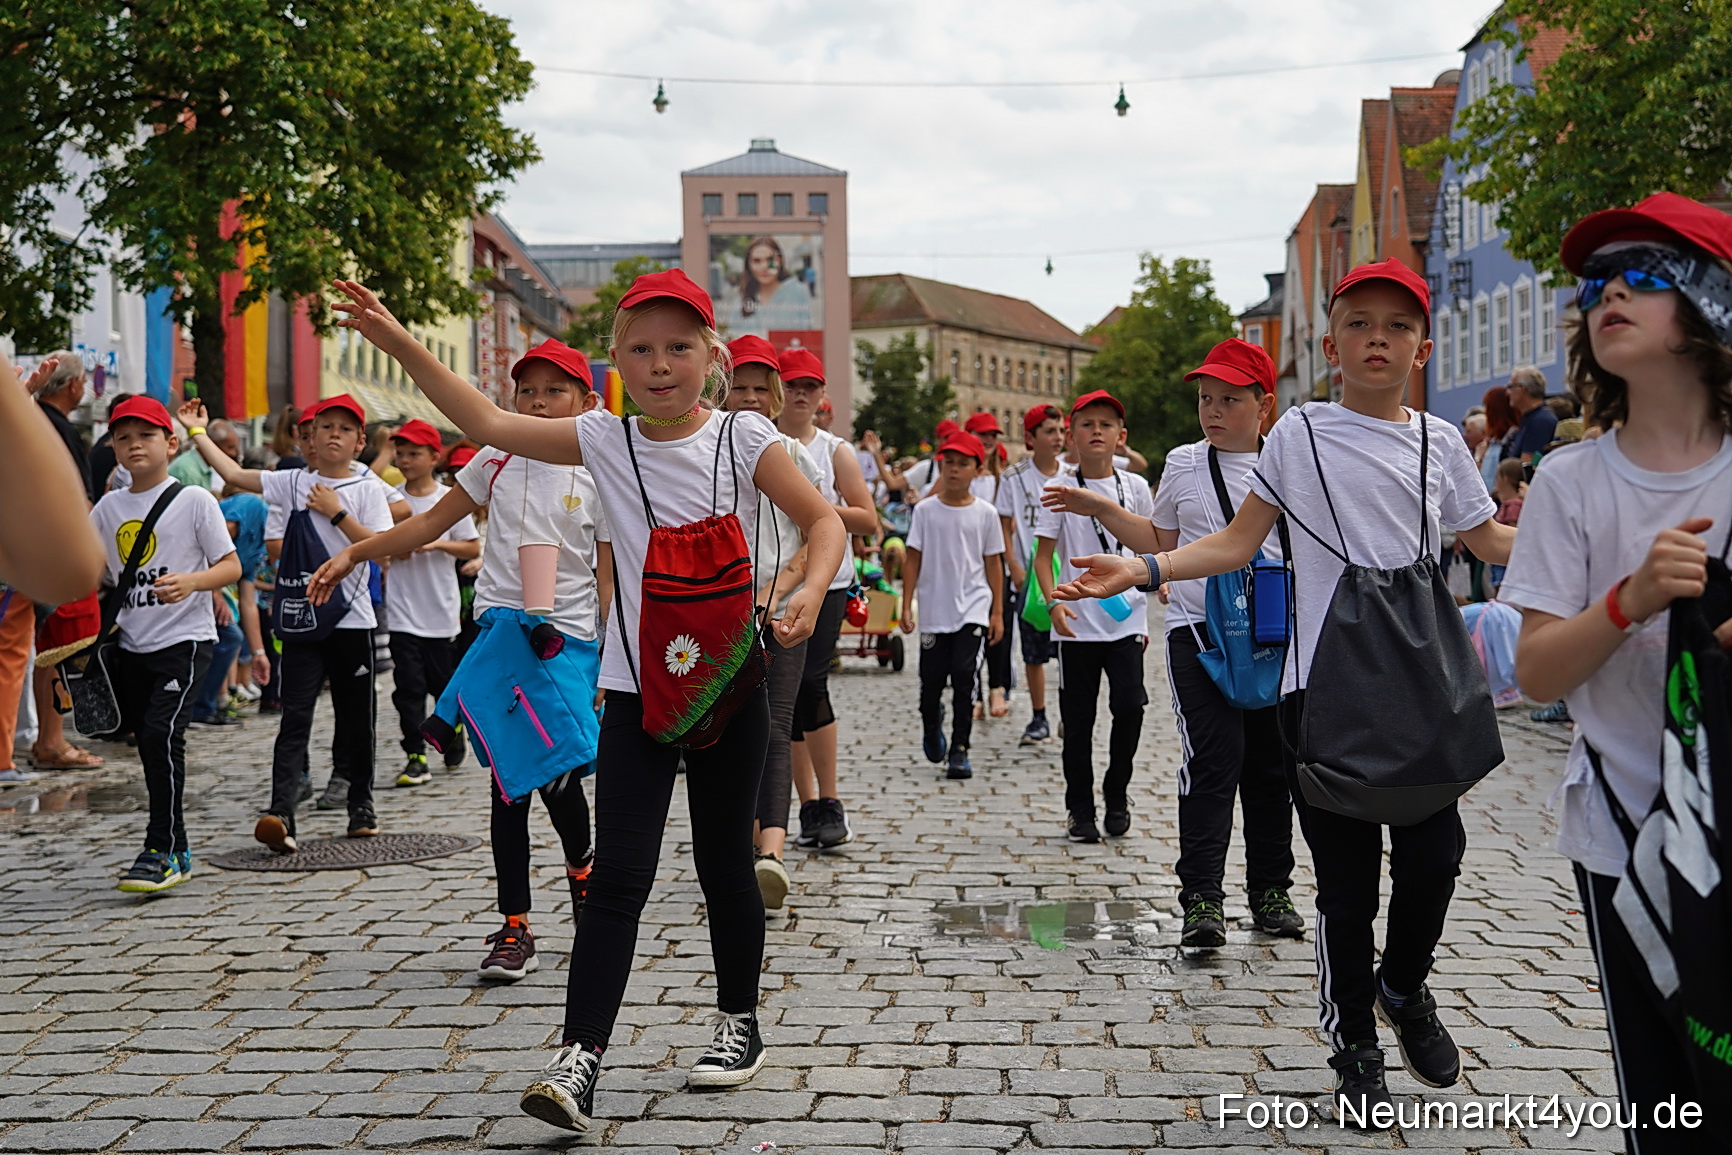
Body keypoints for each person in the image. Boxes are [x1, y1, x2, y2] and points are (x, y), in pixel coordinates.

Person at [330, 269, 844, 1132]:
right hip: (635, 690)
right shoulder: (604, 438)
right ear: (615, 361)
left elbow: (824, 522)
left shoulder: (746, 436)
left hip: (729, 687)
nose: (659, 363)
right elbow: (490, 423)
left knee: (726, 869)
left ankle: (738, 1021)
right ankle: (579, 1058)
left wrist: (808, 588)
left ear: (711, 357)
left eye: (678, 346)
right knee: (617, 876)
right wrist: (395, 339)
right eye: (640, 348)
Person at [1048, 260, 1516, 1126]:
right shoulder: (1299, 435)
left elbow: (1485, 537)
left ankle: (1404, 988)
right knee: (1342, 886)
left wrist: (1594, 543)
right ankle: (1356, 1052)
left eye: (1397, 325)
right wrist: (1146, 564)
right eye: (1360, 323)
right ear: (1331, 342)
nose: (1378, 338)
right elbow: (1235, 542)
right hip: (1321, 684)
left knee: (1436, 856)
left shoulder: (1440, 441)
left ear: (1421, 344)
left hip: (1415, 687)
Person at [1503, 193, 1732, 1153]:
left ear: (1710, 305)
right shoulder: (1571, 481)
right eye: (1596, 283)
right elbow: (1538, 671)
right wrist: (1627, 602)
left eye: (1642, 276)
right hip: (1628, 834)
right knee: (1665, 1103)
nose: (1609, 294)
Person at [312, 339, 605, 982]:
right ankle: (515, 926)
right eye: (526, 390)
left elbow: (612, 569)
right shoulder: (495, 460)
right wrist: (355, 553)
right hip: (502, 634)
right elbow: (425, 526)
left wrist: (612, 656)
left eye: (554, 391)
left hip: (568, 642)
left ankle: (585, 882)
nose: (536, 401)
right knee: (508, 788)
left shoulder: (599, 465)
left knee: (556, 777)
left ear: (588, 402)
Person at [178, 394, 395, 851]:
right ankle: (281, 812)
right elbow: (236, 475)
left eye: (345, 429)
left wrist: (335, 511)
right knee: (294, 714)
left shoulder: (368, 487)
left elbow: (380, 547)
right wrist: (197, 432)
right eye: (326, 427)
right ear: (310, 437)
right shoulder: (291, 480)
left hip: (351, 619)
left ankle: (361, 804)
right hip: (301, 620)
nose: (334, 434)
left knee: (357, 718)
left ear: (359, 442)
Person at [1148, 339, 1302, 946]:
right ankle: (1203, 902)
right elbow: (1159, 537)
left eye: (1229, 400)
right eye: (1206, 399)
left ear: (1263, 405)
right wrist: (1105, 514)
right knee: (1213, 762)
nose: (1212, 410)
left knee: (1271, 769)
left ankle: (1271, 891)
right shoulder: (1184, 463)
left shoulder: (1291, 465)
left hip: (1272, 637)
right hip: (1200, 633)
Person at [91, 397, 241, 890]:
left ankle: (159, 847)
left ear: (171, 443)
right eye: (124, 437)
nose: (134, 445)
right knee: (152, 744)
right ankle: (177, 848)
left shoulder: (194, 500)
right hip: (133, 645)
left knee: (161, 734)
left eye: (146, 435)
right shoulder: (109, 507)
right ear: (113, 447)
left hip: (186, 639)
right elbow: (96, 572)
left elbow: (231, 566)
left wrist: (195, 583)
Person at [722, 335, 822, 914]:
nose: (752, 398)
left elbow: (818, 533)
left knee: (776, 723)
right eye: (741, 387)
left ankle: (772, 853)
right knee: (726, 728)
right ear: (721, 387)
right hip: (717, 612)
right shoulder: (700, 448)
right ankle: (733, 845)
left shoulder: (792, 453)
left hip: (780, 609)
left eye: (763, 388)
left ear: (779, 396)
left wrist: (779, 589)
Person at [1032, 390, 1153, 844]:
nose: (1097, 431)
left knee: (1130, 706)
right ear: (1072, 435)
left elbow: (1151, 544)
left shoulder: (1135, 488)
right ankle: (1079, 809)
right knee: (1078, 721)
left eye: (1106, 425)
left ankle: (1117, 792)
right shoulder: (1061, 489)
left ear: (1121, 437)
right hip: (1077, 625)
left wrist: (1159, 576)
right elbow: (1043, 558)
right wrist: (1054, 603)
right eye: (1087, 424)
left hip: (1127, 622)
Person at [776, 348, 879, 851]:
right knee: (782, 700)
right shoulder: (759, 439)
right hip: (771, 583)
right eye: (791, 384)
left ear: (822, 397)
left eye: (809, 387)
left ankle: (829, 802)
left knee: (811, 686)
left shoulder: (834, 449)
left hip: (827, 581)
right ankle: (803, 805)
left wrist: (815, 507)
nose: (800, 394)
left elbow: (867, 518)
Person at [380, 419, 480, 786]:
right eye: (400, 453)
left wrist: (435, 542)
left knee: (442, 686)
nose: (405, 461)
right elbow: (380, 544)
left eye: (414, 454)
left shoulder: (449, 500)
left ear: (434, 457)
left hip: (440, 612)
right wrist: (396, 549)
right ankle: (415, 753)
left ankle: (452, 733)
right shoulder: (392, 498)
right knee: (407, 687)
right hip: (402, 611)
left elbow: (471, 546)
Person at [900, 430, 1004, 779]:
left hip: (973, 607)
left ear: (978, 469)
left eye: (963, 464)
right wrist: (906, 604)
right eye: (949, 464)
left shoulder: (986, 514)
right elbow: (912, 559)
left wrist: (997, 612)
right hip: (934, 609)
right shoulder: (926, 511)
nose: (955, 470)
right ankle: (932, 721)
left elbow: (993, 563)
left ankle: (960, 748)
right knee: (931, 681)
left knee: (965, 675)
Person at [996, 404, 1066, 745]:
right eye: (1049, 431)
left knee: (1069, 647)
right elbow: (1005, 527)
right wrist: (1015, 568)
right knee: (1033, 650)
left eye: (1061, 431)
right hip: (1029, 576)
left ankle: (1070, 711)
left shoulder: (1070, 473)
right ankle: (1039, 717)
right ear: (1031, 438)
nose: (1058, 438)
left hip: (1065, 574)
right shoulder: (1014, 478)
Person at [963, 412, 1013, 719]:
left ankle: (997, 687)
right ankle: (974, 692)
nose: (989, 440)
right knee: (969, 632)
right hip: (966, 566)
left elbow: (1012, 521)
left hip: (996, 562)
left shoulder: (1002, 479)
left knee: (999, 628)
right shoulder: (958, 474)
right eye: (983, 435)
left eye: (993, 435)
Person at [1505, 365, 1557, 466]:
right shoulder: (1531, 419)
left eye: (1511, 387)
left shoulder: (1540, 421)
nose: (1508, 393)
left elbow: (1526, 466)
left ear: (1523, 389)